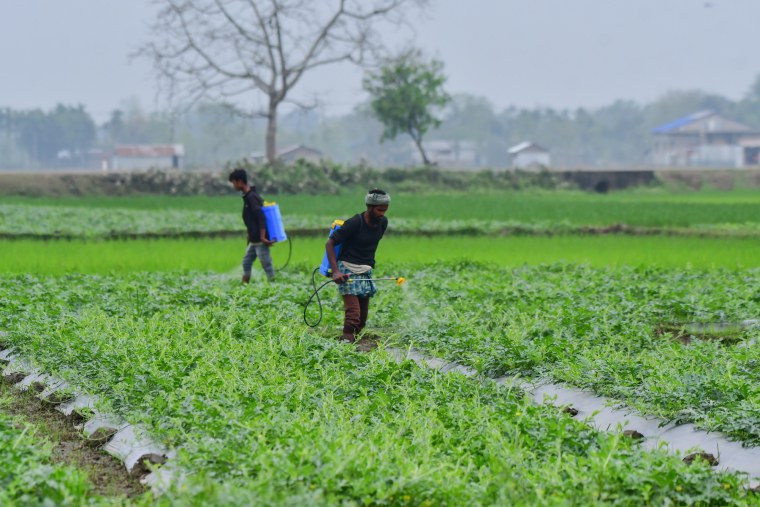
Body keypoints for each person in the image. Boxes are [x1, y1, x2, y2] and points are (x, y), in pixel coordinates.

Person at [325, 189, 390, 342]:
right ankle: (346, 344)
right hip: (347, 268)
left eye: (385, 210)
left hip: (366, 270)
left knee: (362, 319)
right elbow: (330, 243)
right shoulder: (355, 223)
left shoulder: (383, 223)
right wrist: (336, 271)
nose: (382, 213)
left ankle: (359, 348)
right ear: (369, 207)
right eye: (379, 210)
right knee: (353, 316)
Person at [228, 168, 275, 283]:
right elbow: (251, 219)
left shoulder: (251, 197)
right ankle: (244, 286)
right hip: (254, 240)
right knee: (246, 262)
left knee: (266, 264)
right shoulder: (248, 196)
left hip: (260, 240)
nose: (233, 186)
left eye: (233, 183)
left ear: (240, 181)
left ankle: (274, 285)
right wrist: (249, 236)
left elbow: (261, 217)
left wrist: (263, 237)